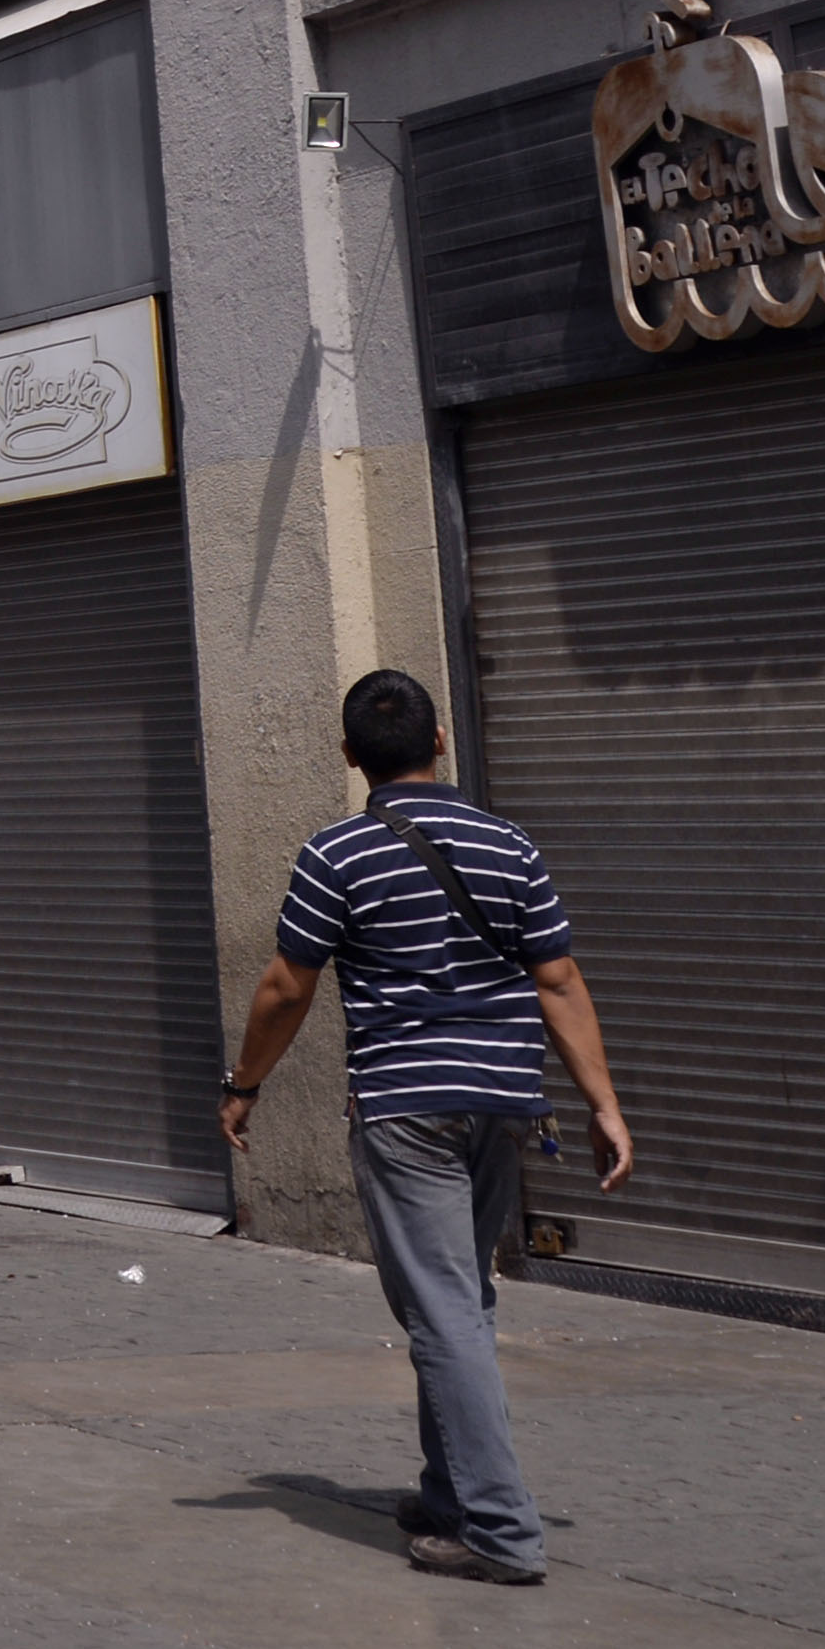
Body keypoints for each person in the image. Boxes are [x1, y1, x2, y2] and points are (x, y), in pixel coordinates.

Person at [225, 669, 638, 1589]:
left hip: (406, 1103)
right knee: (458, 1299)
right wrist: (604, 1104)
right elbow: (559, 979)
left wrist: (244, 1083)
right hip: (505, 1100)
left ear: (349, 755)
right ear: (440, 740)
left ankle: (500, 1529)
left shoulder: (336, 853)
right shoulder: (509, 843)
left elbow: (287, 985)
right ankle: (450, 1492)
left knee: (441, 1306)